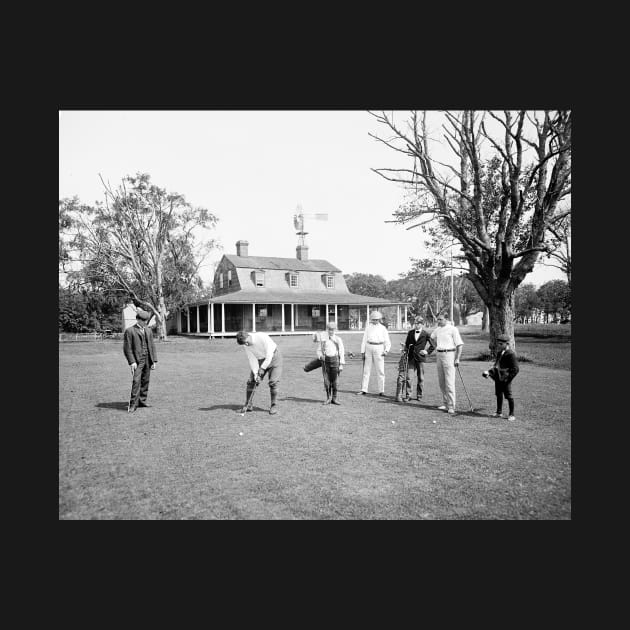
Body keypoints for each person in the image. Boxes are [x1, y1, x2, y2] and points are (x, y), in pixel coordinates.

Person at [236, 330, 283, 415]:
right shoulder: (245, 344)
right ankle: (248, 405)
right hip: (260, 359)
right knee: (251, 381)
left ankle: (273, 406)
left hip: (274, 357)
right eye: (244, 344)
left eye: (246, 342)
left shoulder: (261, 337)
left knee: (273, 382)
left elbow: (269, 356)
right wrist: (256, 374)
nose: (246, 345)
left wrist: (262, 369)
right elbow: (252, 359)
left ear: (248, 336)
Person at [123, 309, 158, 413]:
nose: (145, 322)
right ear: (138, 319)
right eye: (143, 320)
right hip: (137, 361)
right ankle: (133, 404)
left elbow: (152, 346)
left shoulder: (148, 330)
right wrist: (132, 362)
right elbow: (127, 348)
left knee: (145, 381)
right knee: (136, 382)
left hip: (148, 359)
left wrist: (154, 361)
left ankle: (142, 401)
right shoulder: (130, 331)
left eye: (146, 320)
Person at [429, 313, 463, 415]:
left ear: (446, 319)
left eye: (440, 319)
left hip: (449, 355)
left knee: (449, 382)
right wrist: (436, 346)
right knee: (441, 382)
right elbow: (431, 338)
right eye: (437, 320)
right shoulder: (437, 329)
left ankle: (451, 406)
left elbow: (460, 345)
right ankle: (445, 403)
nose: (438, 321)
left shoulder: (453, 329)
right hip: (439, 355)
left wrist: (457, 358)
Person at [396, 315, 434, 402]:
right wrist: (404, 347)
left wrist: (427, 352)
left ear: (422, 324)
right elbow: (407, 345)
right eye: (415, 323)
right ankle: (408, 395)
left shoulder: (426, 334)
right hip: (411, 358)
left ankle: (419, 395)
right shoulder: (410, 333)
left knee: (421, 378)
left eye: (418, 323)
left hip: (421, 359)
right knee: (409, 377)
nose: (416, 325)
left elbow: (433, 345)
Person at [482, 333, 520, 421]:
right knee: (499, 394)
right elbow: (496, 366)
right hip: (498, 378)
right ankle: (499, 412)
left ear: (507, 344)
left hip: (506, 379)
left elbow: (516, 369)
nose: (499, 345)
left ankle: (511, 414)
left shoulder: (511, 354)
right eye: (498, 343)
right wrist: (489, 373)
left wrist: (508, 378)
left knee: (509, 396)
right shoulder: (500, 353)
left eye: (501, 344)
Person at [357, 311, 391, 396]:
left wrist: (386, 350)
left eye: (376, 319)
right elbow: (364, 340)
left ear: (379, 319)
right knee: (366, 370)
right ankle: (364, 389)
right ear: (371, 319)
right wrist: (362, 351)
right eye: (373, 319)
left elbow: (387, 341)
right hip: (369, 347)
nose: (375, 321)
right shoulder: (368, 327)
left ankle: (381, 390)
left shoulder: (383, 328)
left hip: (379, 348)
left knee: (380, 370)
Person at [316, 321, 345, 405]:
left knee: (335, 381)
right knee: (326, 381)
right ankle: (328, 398)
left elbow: (341, 352)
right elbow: (318, 351)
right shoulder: (324, 340)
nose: (331, 331)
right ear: (327, 329)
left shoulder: (338, 339)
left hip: (335, 361)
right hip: (326, 362)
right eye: (329, 329)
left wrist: (341, 364)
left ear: (335, 330)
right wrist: (321, 356)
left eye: (332, 329)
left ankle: (334, 398)